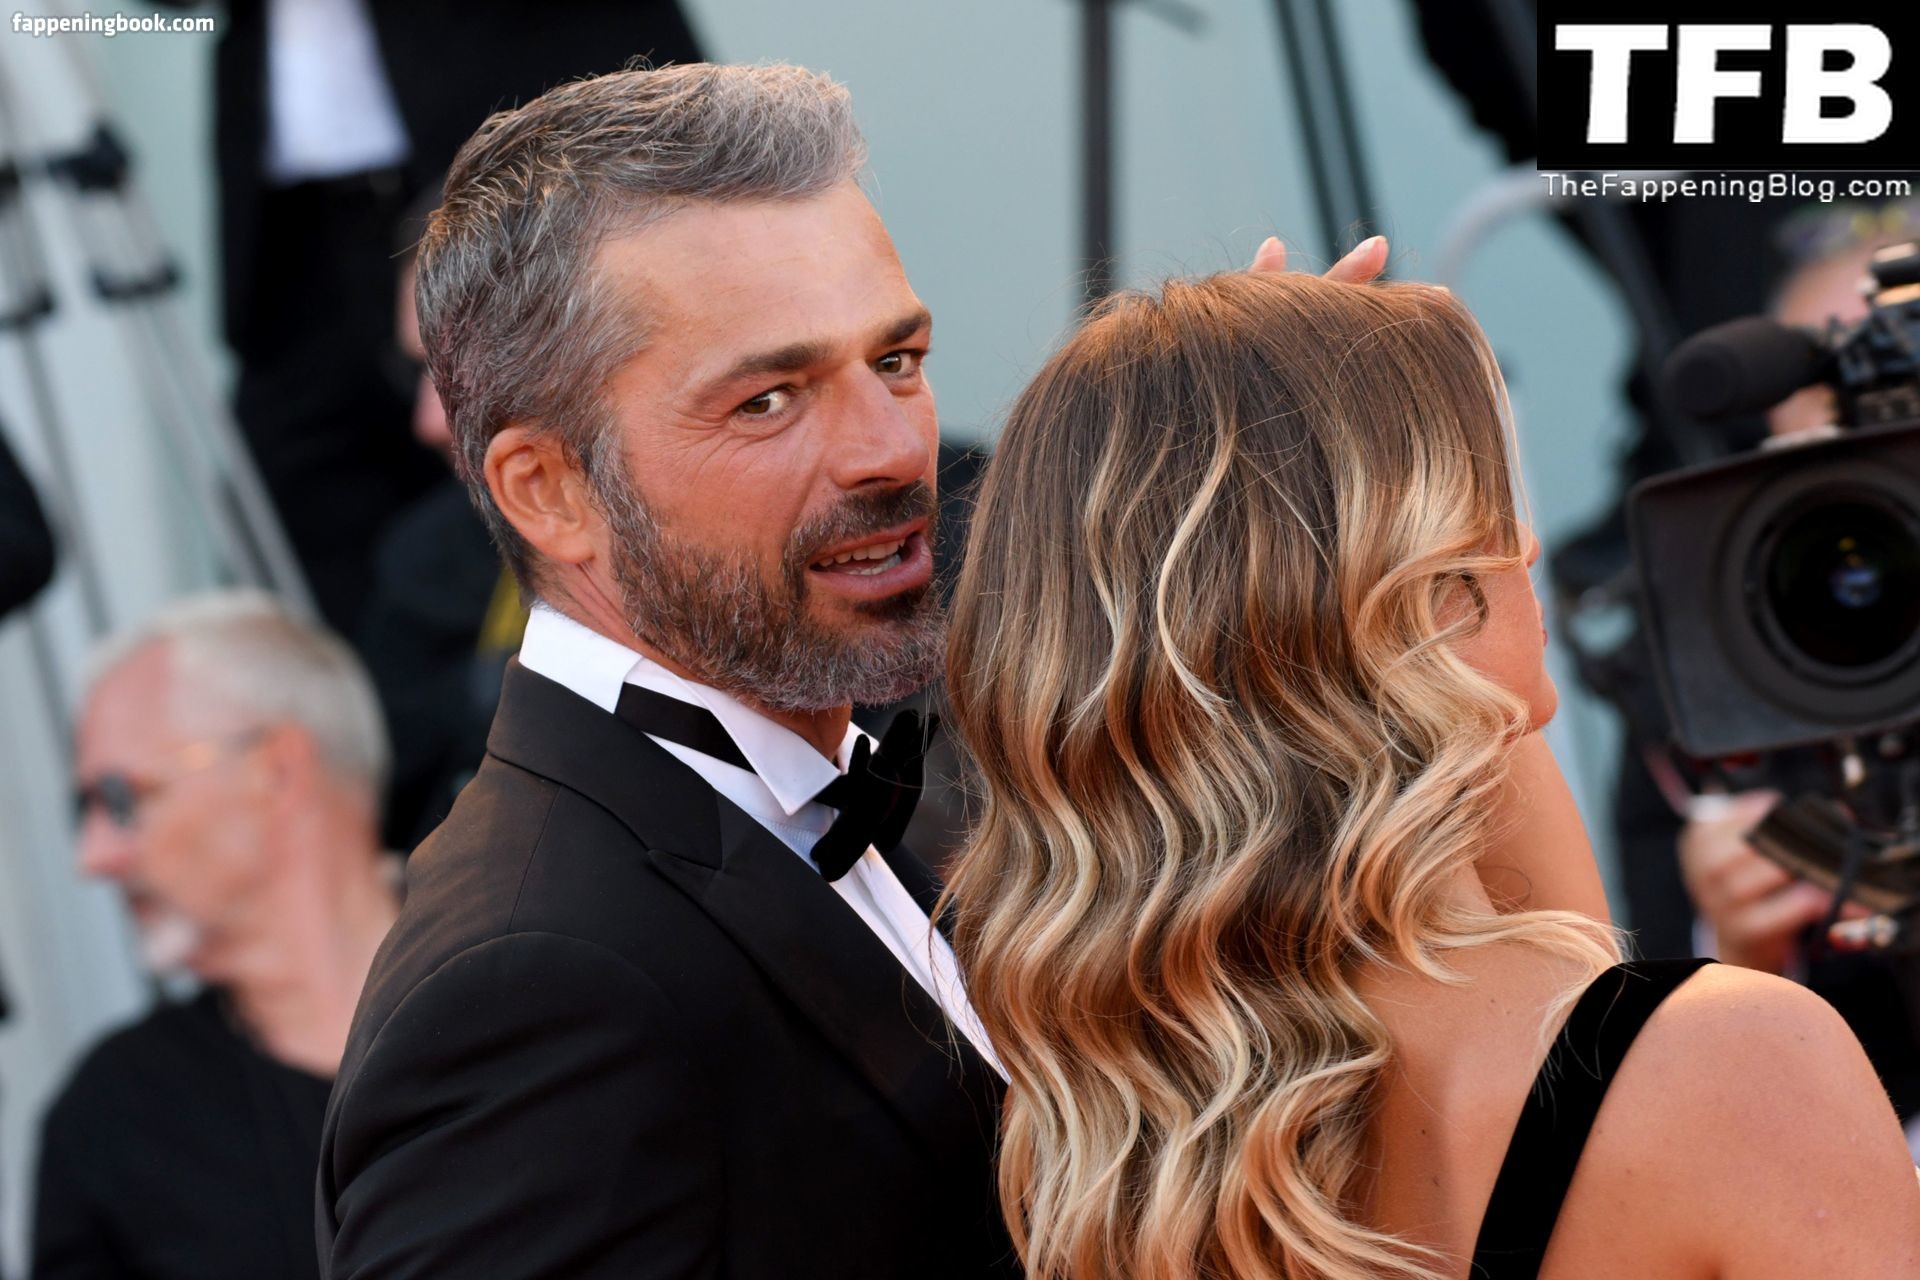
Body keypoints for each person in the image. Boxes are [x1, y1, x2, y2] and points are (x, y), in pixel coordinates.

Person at [315, 61, 1396, 1277]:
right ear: (549, 490)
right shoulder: (528, 985)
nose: (889, 449)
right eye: (768, 400)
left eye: (896, 361)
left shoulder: (855, 803)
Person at [941, 271, 1920, 1278]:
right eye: (1483, 511)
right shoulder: (1734, 1067)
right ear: (1401, 599)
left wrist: (1273, 415)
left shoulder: (1108, 1136)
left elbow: (1569, 969)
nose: (1527, 545)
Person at [34, 591, 400, 1280]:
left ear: (276, 771)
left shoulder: (538, 983)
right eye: (84, 811)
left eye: (120, 798)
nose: (92, 858)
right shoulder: (115, 1117)